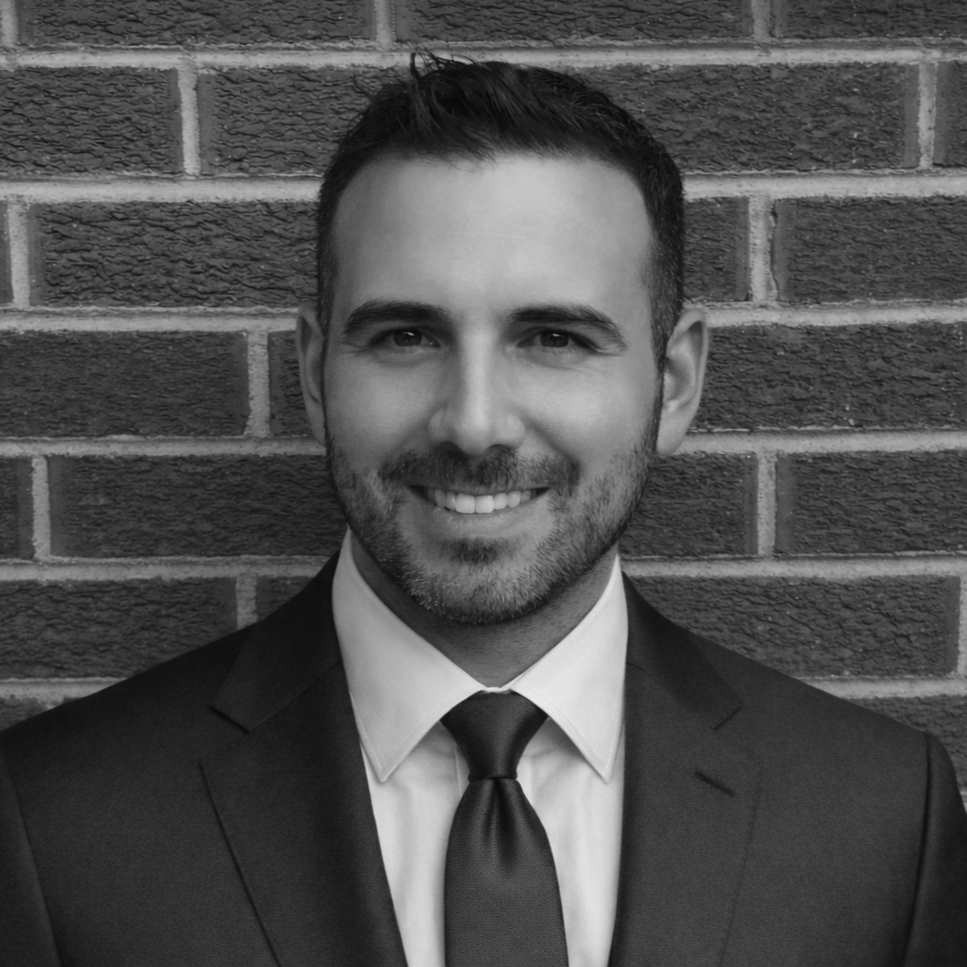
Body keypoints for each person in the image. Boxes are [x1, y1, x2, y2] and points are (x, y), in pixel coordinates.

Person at [2, 56, 966, 967]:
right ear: (313, 372)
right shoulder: (58, 820)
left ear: (673, 383)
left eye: (553, 336)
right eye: (405, 334)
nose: (473, 423)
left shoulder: (879, 819)